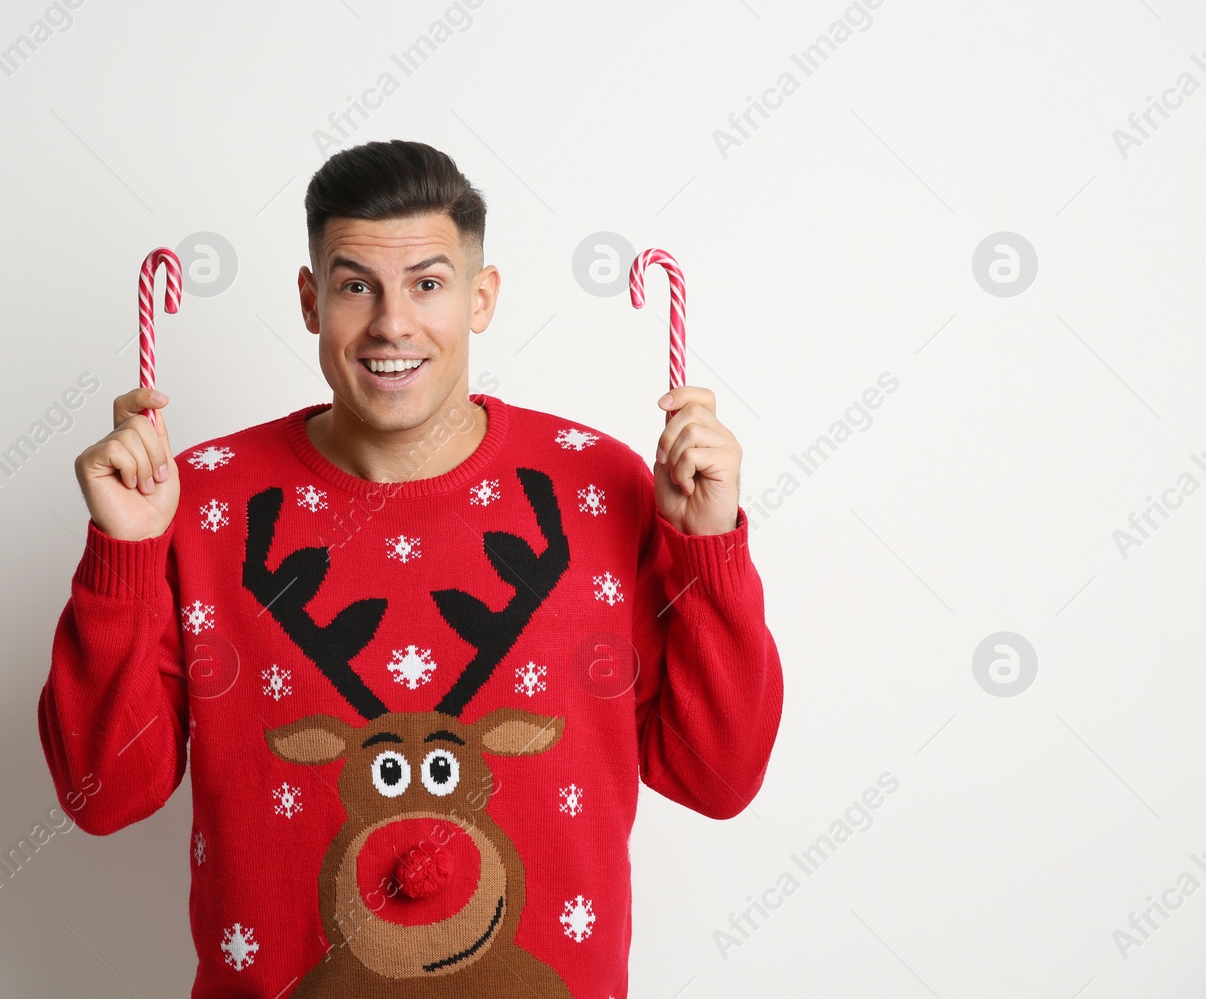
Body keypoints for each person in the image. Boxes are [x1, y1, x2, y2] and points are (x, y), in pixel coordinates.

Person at [38, 139, 783, 998]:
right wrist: (123, 557)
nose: (393, 323)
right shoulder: (192, 501)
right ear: (311, 300)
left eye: (428, 283)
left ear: (481, 297)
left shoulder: (602, 487)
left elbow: (719, 776)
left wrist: (710, 548)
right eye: (357, 285)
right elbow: (103, 795)